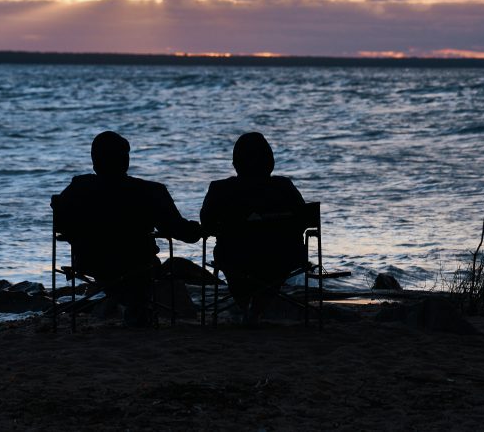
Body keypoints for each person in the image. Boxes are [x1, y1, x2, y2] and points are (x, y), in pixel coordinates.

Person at [52, 131, 201, 324]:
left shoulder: (78, 188)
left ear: (94, 161)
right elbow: (179, 230)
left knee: (124, 274)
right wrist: (199, 229)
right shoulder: (150, 191)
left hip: (90, 262)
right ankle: (136, 306)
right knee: (145, 271)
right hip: (137, 263)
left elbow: (60, 226)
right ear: (125, 160)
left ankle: (126, 303)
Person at [200, 132, 306, 322]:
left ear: (236, 162)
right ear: (269, 161)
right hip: (281, 255)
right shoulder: (283, 187)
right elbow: (304, 220)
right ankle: (257, 308)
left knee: (231, 262)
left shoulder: (220, 189)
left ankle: (245, 306)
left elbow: (206, 225)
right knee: (280, 262)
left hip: (233, 255)